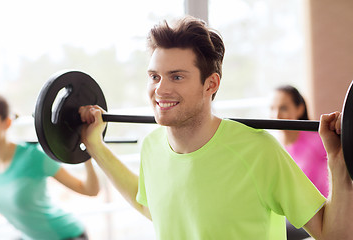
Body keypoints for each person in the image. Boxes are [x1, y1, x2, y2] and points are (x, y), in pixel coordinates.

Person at [79, 16, 353, 239]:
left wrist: (338, 161)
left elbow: (332, 235)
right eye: (154, 76)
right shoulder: (152, 147)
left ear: (210, 84)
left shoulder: (257, 150)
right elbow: (149, 206)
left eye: (176, 76)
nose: (160, 89)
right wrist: (95, 146)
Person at [0, 94, 100, 240]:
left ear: (7, 123)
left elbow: (90, 190)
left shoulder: (33, 156)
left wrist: (87, 148)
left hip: (66, 235)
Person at [270, 85, 329, 239]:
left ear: (299, 109)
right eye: (272, 108)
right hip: (294, 213)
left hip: (320, 214)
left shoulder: (318, 140)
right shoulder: (274, 147)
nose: (276, 115)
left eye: (283, 108)